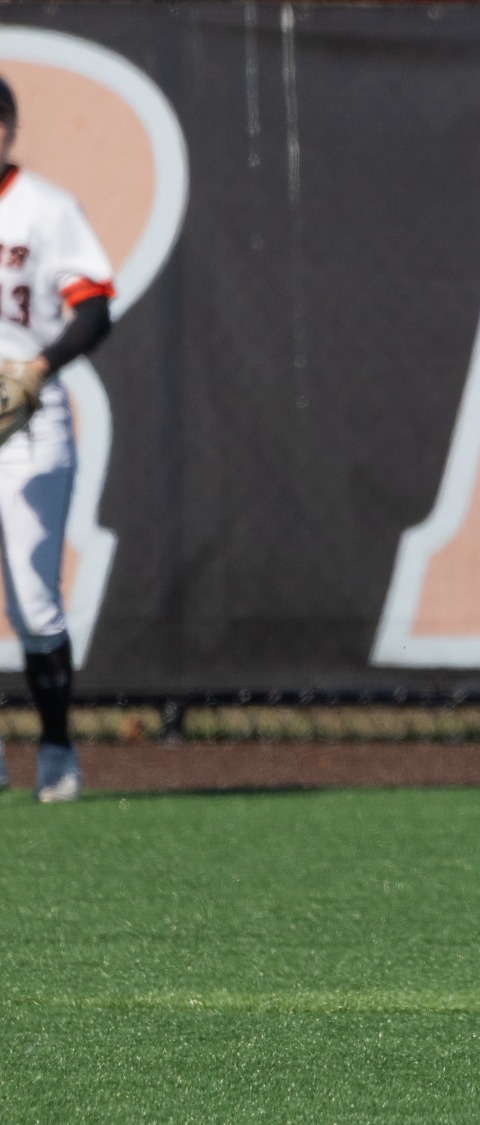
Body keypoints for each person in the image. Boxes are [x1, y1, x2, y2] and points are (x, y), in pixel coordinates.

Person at [0, 75, 116, 803]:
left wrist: (39, 368)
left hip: (25, 419)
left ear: (7, 129)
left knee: (33, 598)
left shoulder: (43, 208)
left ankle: (57, 749)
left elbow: (96, 309)